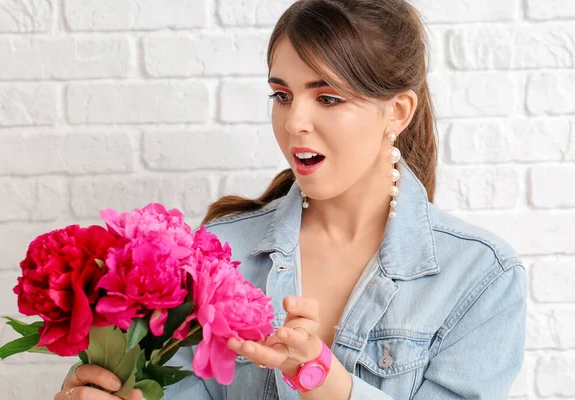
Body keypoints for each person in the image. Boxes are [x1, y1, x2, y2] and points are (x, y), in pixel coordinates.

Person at [55, 0, 527, 399]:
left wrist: (330, 385)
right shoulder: (215, 254)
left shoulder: (479, 277)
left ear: (397, 112)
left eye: (327, 98)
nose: (294, 121)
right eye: (282, 95)